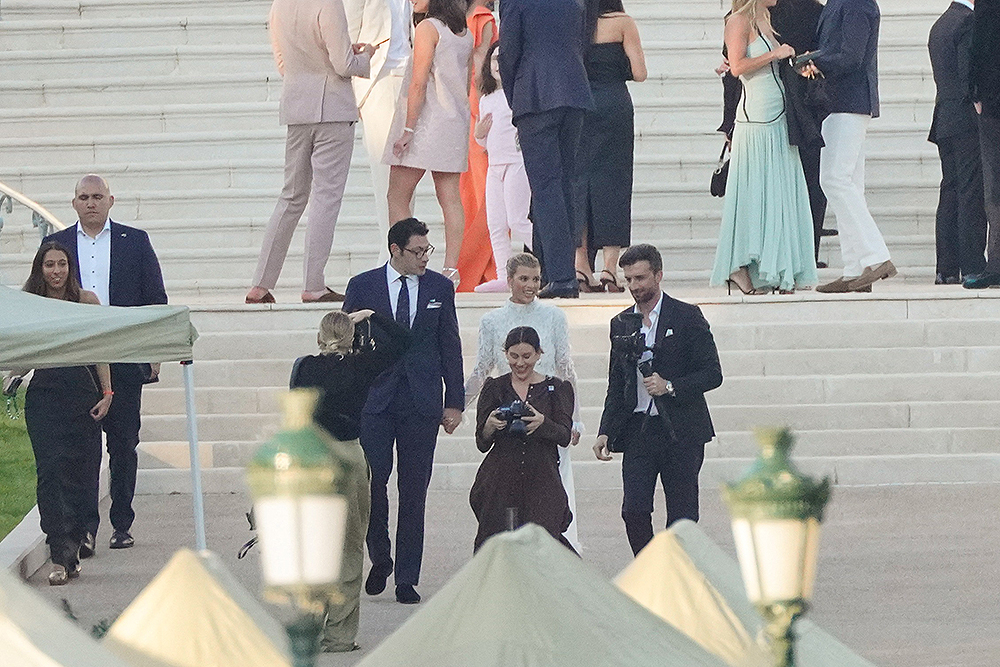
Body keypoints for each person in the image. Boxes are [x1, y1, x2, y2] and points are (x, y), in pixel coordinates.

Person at [343, 217, 464, 605]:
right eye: (417, 251)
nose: (424, 257)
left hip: (422, 400)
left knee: (414, 491)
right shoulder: (363, 286)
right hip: (374, 401)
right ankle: (381, 556)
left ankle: (407, 578)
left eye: (427, 250)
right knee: (372, 483)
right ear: (395, 250)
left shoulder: (439, 288)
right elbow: (344, 342)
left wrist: (455, 401)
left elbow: (450, 344)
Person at [45, 174, 167, 551]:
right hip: (78, 361)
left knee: (123, 443)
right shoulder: (58, 244)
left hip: (124, 356)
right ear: (74, 203)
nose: (91, 203)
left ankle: (122, 522)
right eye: (84, 197)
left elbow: (154, 299)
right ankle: (85, 528)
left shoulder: (136, 241)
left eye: (98, 196)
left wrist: (154, 351)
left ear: (111, 201)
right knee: (82, 449)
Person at [289, 309, 408, 652]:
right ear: (352, 337)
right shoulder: (361, 365)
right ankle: (340, 635)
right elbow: (403, 342)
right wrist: (374, 317)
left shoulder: (303, 367)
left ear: (318, 336)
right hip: (348, 455)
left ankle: (308, 629)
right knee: (350, 548)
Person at [594, 244, 723, 556]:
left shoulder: (687, 316)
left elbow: (712, 373)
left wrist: (671, 386)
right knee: (634, 511)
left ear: (658, 275)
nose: (635, 286)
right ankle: (650, 567)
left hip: (682, 430)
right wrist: (605, 430)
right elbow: (617, 382)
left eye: (641, 278)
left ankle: (677, 572)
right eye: (629, 280)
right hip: (639, 430)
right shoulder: (621, 323)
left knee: (683, 515)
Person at [245, 0, 375, 304]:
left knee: (291, 196)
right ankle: (314, 284)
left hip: (296, 106)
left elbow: (282, 64)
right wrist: (365, 56)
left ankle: (260, 284)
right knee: (326, 197)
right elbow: (343, 65)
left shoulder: (280, 5)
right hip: (331, 107)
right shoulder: (328, 3)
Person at [465, 253, 581, 548]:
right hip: (505, 410)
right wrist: (456, 407)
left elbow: (565, 367)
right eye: (524, 279)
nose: (531, 286)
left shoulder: (554, 316)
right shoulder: (492, 321)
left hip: (549, 410)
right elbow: (481, 369)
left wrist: (575, 418)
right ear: (510, 279)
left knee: (551, 496)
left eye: (536, 279)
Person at [20, 242, 113, 585]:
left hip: (82, 393)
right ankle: (58, 552)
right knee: (50, 473)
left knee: (80, 471)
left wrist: (108, 392)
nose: (56, 271)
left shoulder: (86, 301)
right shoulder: (29, 303)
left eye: (61, 264)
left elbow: (100, 348)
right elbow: (22, 348)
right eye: (49, 265)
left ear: (70, 268)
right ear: (39, 269)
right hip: (44, 396)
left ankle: (75, 542)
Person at [710, 0, 818, 295]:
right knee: (755, 191)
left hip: (779, 113)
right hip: (756, 117)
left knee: (780, 191)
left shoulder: (765, 20)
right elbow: (738, 67)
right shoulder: (738, 21)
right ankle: (739, 266)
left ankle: (780, 268)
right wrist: (776, 53)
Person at [499, 0, 595, 299]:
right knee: (564, 186)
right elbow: (584, 42)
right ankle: (555, 270)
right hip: (574, 89)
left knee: (546, 188)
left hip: (536, 93)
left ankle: (562, 276)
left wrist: (516, 97)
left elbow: (508, 52)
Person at [384, 0, 474, 287]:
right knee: (449, 197)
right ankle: (451, 269)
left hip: (426, 121)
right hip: (454, 120)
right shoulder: (463, 32)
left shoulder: (428, 28)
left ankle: (408, 260)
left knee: (397, 194)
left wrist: (408, 128)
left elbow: (418, 82)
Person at [811, 0, 896, 293]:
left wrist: (816, 61)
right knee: (848, 183)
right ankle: (855, 268)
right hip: (843, 101)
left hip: (847, 101)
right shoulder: (842, 3)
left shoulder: (856, 3)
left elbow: (852, 56)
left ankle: (875, 256)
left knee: (833, 178)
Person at [471, 326, 575, 552]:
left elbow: (565, 435)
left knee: (544, 546)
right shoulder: (494, 388)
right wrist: (489, 426)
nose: (520, 363)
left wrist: (542, 423)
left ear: (539, 354)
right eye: (514, 356)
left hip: (542, 479)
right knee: (498, 547)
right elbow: (482, 442)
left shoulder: (556, 388)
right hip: (501, 479)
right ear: (505, 354)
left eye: (527, 356)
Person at [573, 0, 647, 294]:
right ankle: (609, 268)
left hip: (578, 105)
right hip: (614, 106)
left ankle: (581, 266)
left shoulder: (572, 20)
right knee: (613, 184)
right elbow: (640, 72)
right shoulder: (622, 22)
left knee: (579, 183)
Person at [346, 0, 414, 264]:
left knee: (407, 176)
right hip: (378, 80)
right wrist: (355, 95)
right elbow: (349, 34)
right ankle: (390, 254)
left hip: (412, 78)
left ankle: (407, 251)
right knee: (384, 177)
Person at [928, 0, 988, 285]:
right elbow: (968, 72)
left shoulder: (940, 24)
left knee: (950, 190)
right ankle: (973, 264)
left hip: (944, 117)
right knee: (970, 192)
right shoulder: (968, 21)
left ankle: (946, 267)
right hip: (966, 118)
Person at [470, 44, 533, 294]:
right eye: (494, 59)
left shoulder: (518, 94)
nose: (497, 64)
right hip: (495, 166)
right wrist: (478, 135)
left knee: (517, 220)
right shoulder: (486, 99)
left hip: (516, 163)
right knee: (495, 224)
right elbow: (483, 141)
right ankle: (503, 275)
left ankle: (553, 263)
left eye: (502, 59)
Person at [455, 0, 500, 292]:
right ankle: (479, 270)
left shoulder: (460, 18)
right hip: (479, 107)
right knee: (489, 198)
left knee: (471, 198)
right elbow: (481, 64)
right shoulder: (483, 18)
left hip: (463, 109)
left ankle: (482, 270)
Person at [963, 0, 1000, 289]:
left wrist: (976, 92)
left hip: (993, 104)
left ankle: (997, 265)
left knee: (995, 189)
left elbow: (980, 47)